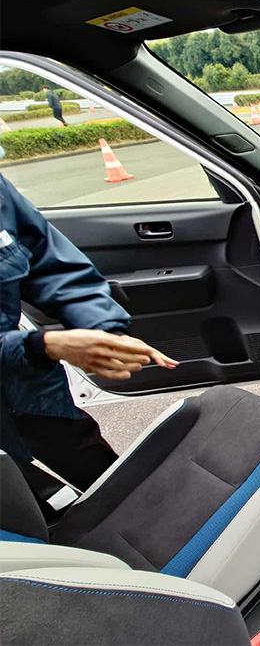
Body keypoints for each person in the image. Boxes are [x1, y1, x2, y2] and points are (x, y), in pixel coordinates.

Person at [0, 173, 178, 491]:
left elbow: (48, 260)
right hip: (23, 360)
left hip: (31, 392)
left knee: (113, 486)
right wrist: (39, 346)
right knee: (27, 505)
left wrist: (104, 329)